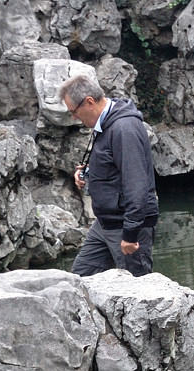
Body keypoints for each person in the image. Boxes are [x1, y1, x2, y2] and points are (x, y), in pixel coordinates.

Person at [60, 75, 158, 277]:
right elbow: (115, 164)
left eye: (74, 112)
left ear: (89, 102)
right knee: (79, 278)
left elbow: (137, 184)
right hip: (106, 222)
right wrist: (89, 171)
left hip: (127, 225)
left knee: (137, 289)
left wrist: (130, 235)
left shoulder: (124, 128)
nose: (74, 118)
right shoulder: (106, 123)